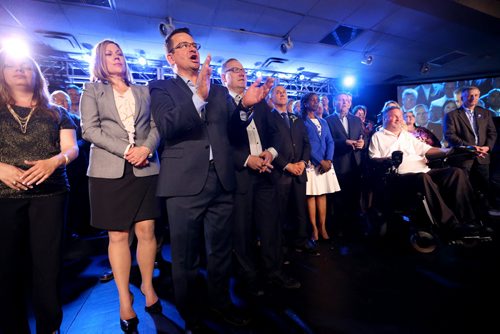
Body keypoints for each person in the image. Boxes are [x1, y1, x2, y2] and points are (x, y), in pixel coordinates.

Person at [149, 28, 272, 332]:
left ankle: (220, 303)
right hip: (184, 186)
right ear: (170, 57)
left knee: (219, 252)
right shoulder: (160, 87)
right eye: (183, 45)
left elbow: (231, 132)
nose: (191, 49)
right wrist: (197, 97)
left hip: (222, 181)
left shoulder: (218, 90)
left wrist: (244, 107)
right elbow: (167, 126)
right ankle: (191, 315)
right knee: (185, 257)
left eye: (194, 44)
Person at [80, 39, 162, 333]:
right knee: (118, 235)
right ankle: (124, 297)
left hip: (146, 168)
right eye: (108, 54)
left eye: (119, 53)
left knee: (147, 231)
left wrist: (146, 149)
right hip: (109, 171)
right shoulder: (91, 90)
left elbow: (155, 127)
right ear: (99, 61)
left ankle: (148, 286)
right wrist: (129, 150)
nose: (116, 57)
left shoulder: (144, 90)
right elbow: (89, 130)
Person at [0, 49, 78, 334]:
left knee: (48, 267)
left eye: (26, 66)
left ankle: (50, 328)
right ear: (3, 73)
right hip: (4, 195)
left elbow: (72, 147)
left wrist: (54, 162)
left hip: (51, 194)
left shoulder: (57, 112)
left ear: (36, 74)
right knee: (7, 268)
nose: (20, 70)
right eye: (13, 66)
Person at [222, 59, 300, 295]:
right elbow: (221, 141)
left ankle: (274, 273)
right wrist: (247, 159)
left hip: (266, 174)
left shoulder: (262, 104)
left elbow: (276, 134)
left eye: (243, 70)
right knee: (243, 232)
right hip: (240, 175)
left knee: (271, 228)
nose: (241, 74)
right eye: (234, 70)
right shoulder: (218, 103)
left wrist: (271, 153)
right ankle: (249, 279)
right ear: (223, 76)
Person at [369, 105, 483, 237]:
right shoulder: (378, 136)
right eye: (395, 116)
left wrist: (453, 150)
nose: (399, 119)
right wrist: (389, 159)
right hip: (399, 177)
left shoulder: (407, 136)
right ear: (384, 118)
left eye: (400, 116)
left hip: (423, 170)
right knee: (423, 178)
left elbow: (427, 150)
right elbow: (373, 159)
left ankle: (469, 220)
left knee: (456, 173)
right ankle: (450, 225)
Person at [269, 86, 317, 255]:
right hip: (280, 173)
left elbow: (306, 143)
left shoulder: (296, 118)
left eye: (284, 92)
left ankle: (301, 241)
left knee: (300, 210)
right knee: (280, 213)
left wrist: (303, 162)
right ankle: (281, 246)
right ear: (271, 98)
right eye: (278, 92)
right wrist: (286, 165)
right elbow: (268, 147)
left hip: (299, 171)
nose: (282, 94)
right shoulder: (268, 118)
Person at [444, 86, 497, 210]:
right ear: (462, 98)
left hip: (482, 157)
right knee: (463, 190)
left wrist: (487, 147)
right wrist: (469, 148)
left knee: (484, 189)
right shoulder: (452, 115)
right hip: (463, 159)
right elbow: (450, 136)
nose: (473, 98)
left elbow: (492, 133)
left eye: (476, 95)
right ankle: (466, 216)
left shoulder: (485, 113)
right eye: (469, 95)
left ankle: (485, 215)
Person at [302, 93, 341, 242]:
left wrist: (329, 160)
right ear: (305, 103)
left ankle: (323, 226)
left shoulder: (323, 121)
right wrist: (320, 160)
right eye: (312, 100)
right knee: (311, 195)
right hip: (312, 164)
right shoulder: (301, 122)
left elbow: (330, 141)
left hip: (326, 163)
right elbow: (305, 144)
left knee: (322, 195)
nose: (316, 102)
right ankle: (314, 229)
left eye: (317, 100)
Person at [325, 92, 365, 238]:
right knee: (338, 200)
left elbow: (363, 136)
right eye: (342, 100)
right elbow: (327, 142)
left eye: (348, 100)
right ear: (335, 102)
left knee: (354, 198)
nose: (345, 103)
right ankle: (338, 230)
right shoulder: (327, 120)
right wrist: (344, 142)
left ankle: (353, 229)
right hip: (339, 164)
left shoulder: (356, 120)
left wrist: (362, 142)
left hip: (356, 165)